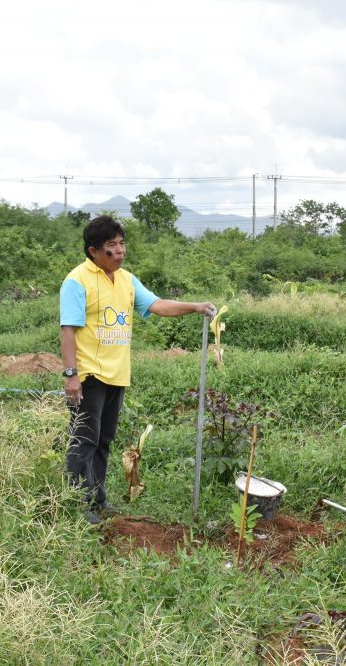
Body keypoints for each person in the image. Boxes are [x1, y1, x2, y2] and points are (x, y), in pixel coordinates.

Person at [59, 215, 216, 525]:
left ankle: (98, 501)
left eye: (121, 244)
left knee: (103, 440)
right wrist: (71, 375)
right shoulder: (77, 280)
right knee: (84, 441)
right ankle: (76, 506)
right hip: (89, 376)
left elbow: (157, 305)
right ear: (93, 252)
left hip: (117, 374)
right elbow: (68, 330)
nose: (119, 252)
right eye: (111, 247)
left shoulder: (127, 280)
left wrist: (195, 306)